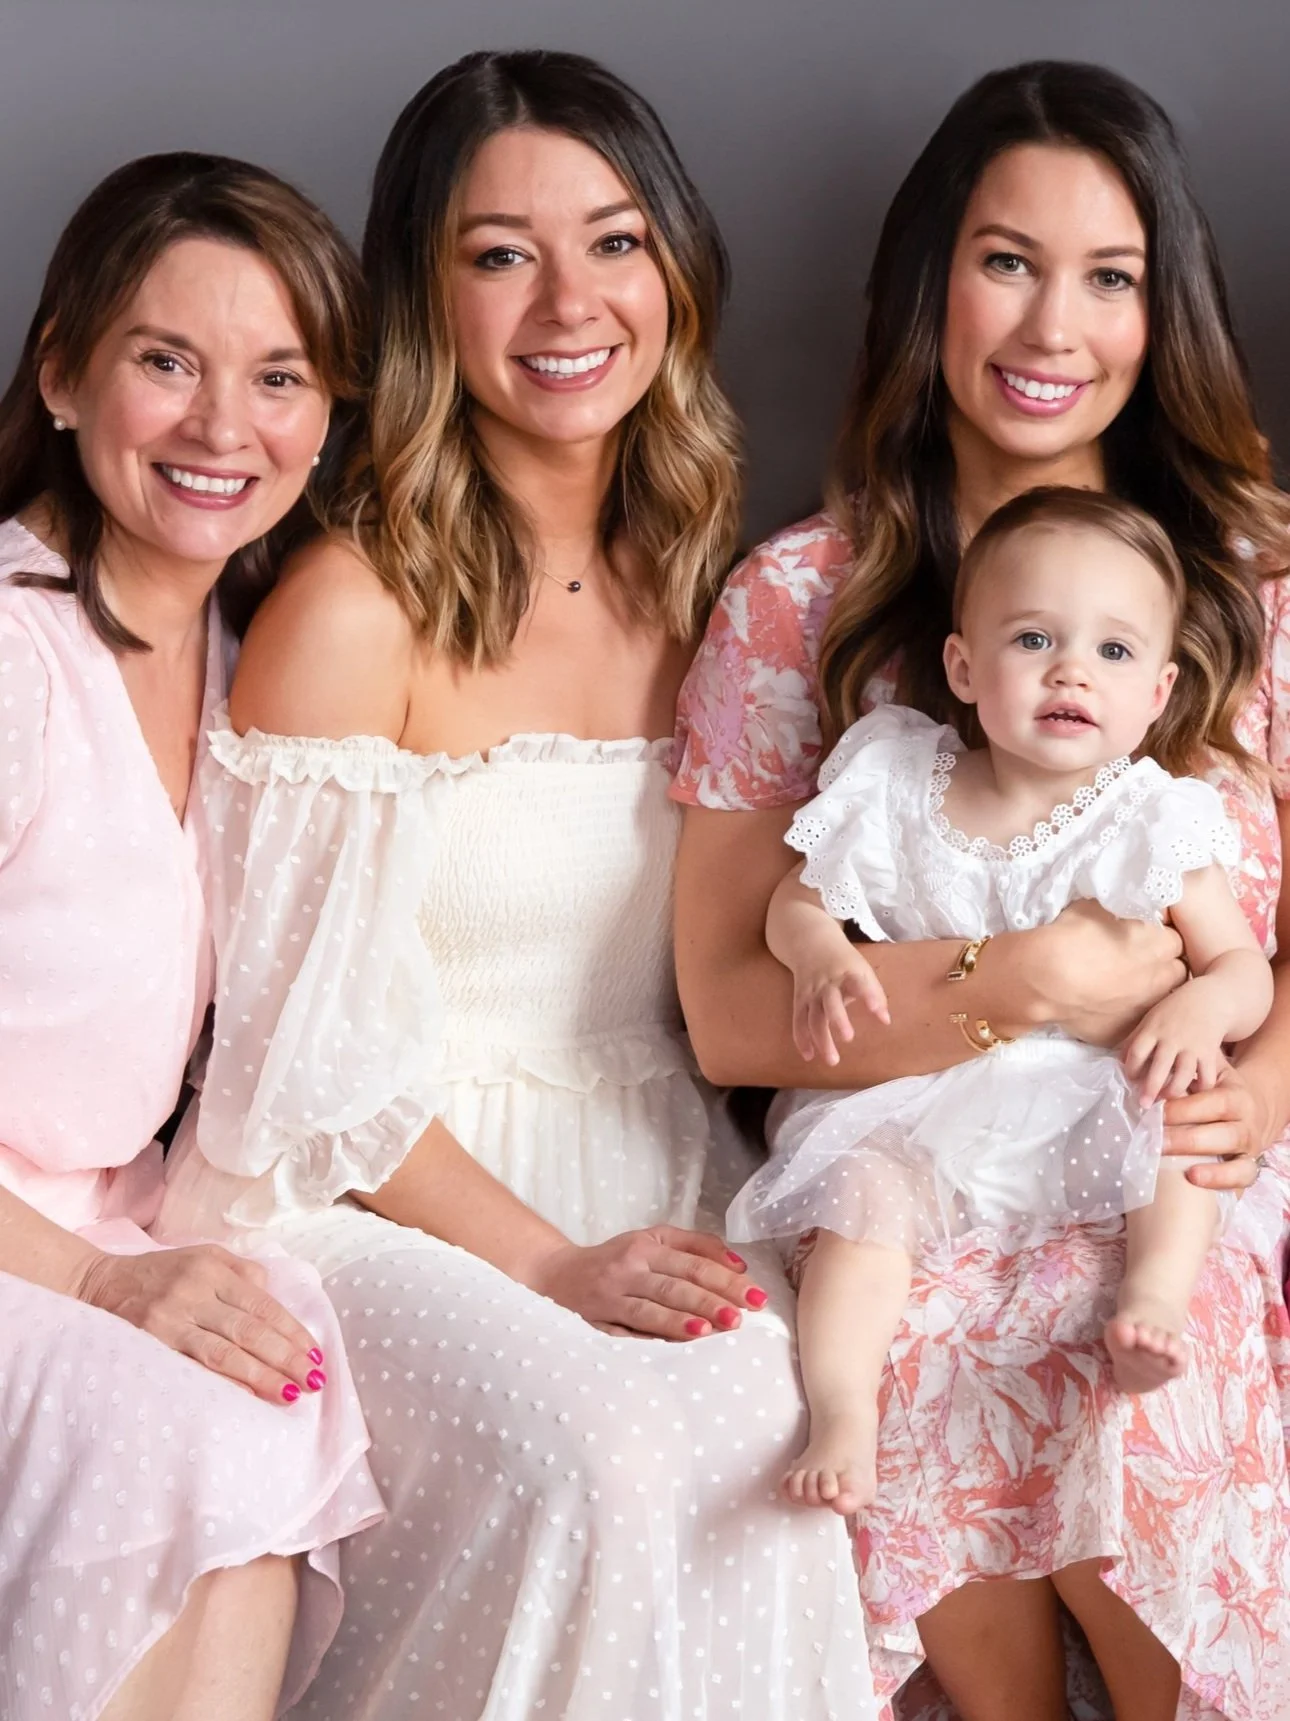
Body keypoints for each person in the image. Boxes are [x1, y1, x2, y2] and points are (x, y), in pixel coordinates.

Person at [154, 50, 875, 1721]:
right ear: (426, 298)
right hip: (374, 1193)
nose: (569, 301)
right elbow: (296, 1061)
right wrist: (551, 1268)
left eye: (614, 242)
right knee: (611, 1455)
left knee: (786, 1425)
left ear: (676, 273)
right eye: (499, 254)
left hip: (658, 1158)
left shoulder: (716, 587)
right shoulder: (352, 605)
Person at [672, 60, 1290, 1721]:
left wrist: (1256, 1085)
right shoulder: (802, 596)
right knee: (911, 1321)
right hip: (932, 1157)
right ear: (931, 284)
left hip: (1182, 1149)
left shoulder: (1259, 582)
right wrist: (1017, 983)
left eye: (1111, 276)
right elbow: (736, 1013)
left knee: (1172, 1326)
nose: (1052, 323)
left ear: (1167, 315)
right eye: (1008, 260)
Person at [0, 154, 382, 1721]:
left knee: (266, 1383)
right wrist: (97, 1285)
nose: (227, 429)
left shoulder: (251, 657)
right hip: (26, 1241)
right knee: (200, 1426)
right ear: (65, 376)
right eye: (168, 362)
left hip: (120, 1213)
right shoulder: (12, 655)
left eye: (278, 377)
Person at [727, 487, 1272, 1518]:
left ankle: (1153, 1297)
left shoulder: (1147, 816)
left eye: (1114, 653)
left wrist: (1203, 1011)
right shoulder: (896, 783)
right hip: (924, 1085)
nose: (1073, 669)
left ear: (1157, 694)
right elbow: (794, 904)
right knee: (862, 1207)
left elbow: (1239, 966)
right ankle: (841, 1411)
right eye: (1035, 638)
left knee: (1175, 1126)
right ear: (965, 668)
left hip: (1086, 1080)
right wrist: (819, 958)